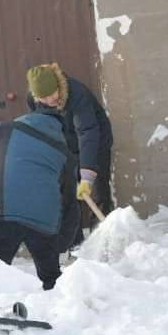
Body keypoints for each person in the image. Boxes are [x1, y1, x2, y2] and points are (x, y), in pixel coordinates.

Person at [0, 105, 78, 290]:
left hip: (1, 212)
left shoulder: (5, 128)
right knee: (53, 283)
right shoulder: (65, 153)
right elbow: (70, 204)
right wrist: (61, 246)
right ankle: (60, 308)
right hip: (43, 220)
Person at [26, 63, 114, 245]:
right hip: (65, 147)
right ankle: (75, 246)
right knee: (67, 197)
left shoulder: (76, 93)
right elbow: (41, 125)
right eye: (44, 98)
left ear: (58, 86)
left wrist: (87, 174)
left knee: (97, 193)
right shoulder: (35, 99)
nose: (50, 100)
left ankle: (103, 243)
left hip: (94, 142)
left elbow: (87, 131)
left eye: (52, 94)